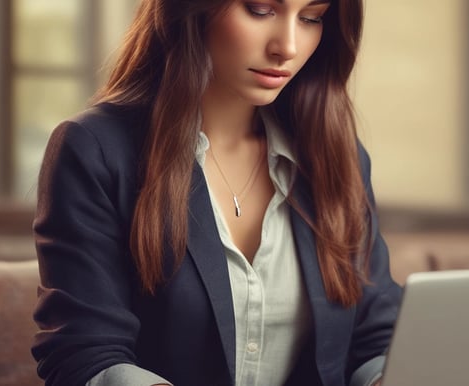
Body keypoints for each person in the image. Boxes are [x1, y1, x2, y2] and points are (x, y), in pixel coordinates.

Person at [30, 0, 402, 385]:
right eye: (260, 9)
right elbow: (85, 355)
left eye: (311, 18)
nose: (288, 47)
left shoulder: (334, 155)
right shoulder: (96, 149)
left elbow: (376, 335)